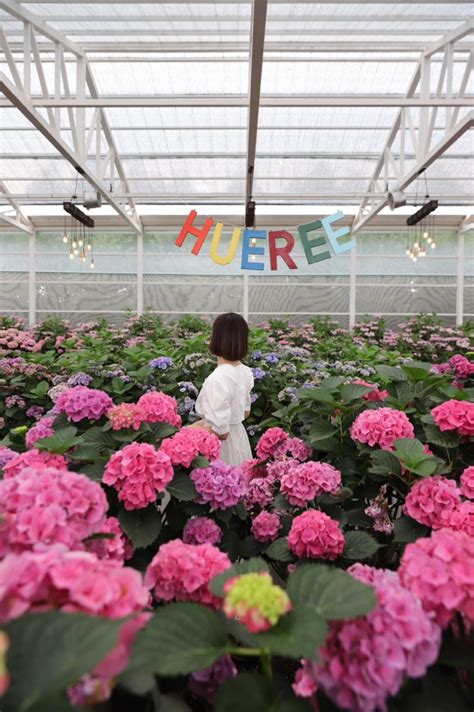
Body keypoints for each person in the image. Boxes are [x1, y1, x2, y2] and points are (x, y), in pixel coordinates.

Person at [194, 313, 254, 466]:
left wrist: (192, 429)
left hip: (222, 449)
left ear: (216, 338)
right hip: (240, 439)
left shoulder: (217, 378)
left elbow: (221, 432)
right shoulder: (245, 371)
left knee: (223, 484)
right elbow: (245, 412)